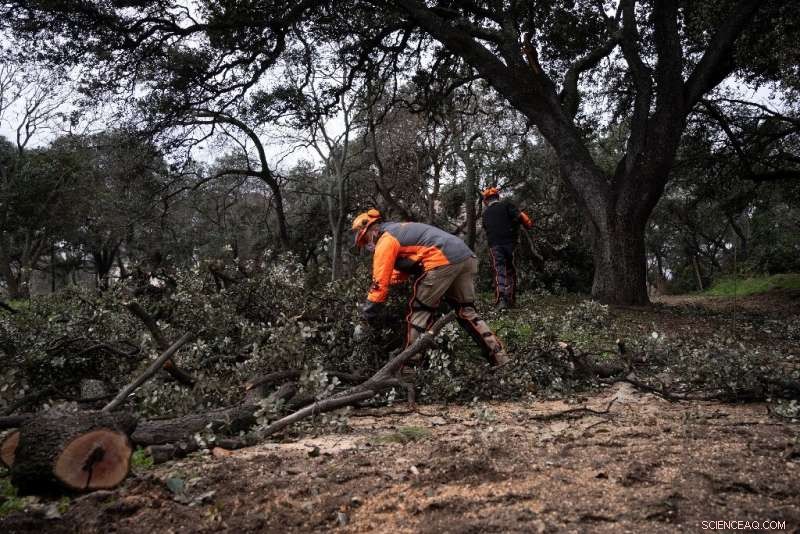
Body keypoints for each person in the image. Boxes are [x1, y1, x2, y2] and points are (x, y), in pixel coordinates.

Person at [352, 208, 509, 367]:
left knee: (419, 312)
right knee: (467, 312)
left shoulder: (385, 239)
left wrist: (366, 317)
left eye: (365, 240)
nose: (366, 245)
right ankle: (501, 359)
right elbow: (400, 272)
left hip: (441, 260)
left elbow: (379, 284)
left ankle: (409, 369)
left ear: (372, 229)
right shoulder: (399, 230)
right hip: (465, 256)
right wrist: (386, 283)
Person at [481, 187, 533, 309]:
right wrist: (527, 224)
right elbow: (521, 218)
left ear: (486, 201)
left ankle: (501, 300)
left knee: (499, 270)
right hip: (510, 243)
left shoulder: (485, 214)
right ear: (497, 197)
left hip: (494, 245)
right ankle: (510, 299)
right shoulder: (507, 205)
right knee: (510, 270)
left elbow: (486, 228)